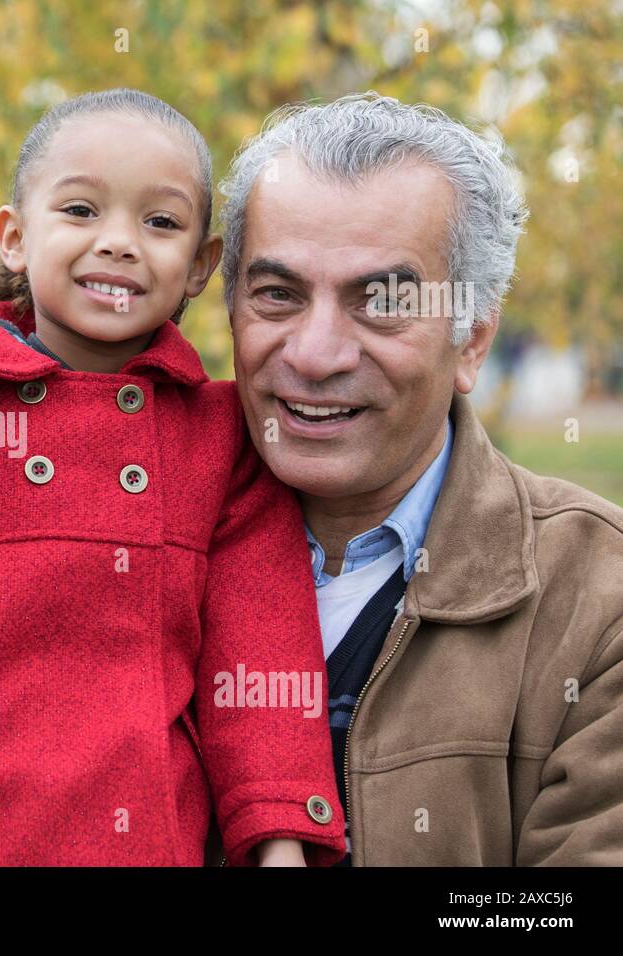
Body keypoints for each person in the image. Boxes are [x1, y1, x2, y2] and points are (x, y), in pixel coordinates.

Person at [0, 89, 346, 867]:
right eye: (80, 210)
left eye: (161, 222)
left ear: (204, 266)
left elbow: (261, 660)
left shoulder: (220, 442)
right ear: (15, 236)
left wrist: (279, 841)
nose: (118, 243)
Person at [221, 93, 623, 864]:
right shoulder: (119, 545)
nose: (315, 353)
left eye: (382, 303)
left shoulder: (598, 598)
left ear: (472, 339)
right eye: (278, 294)